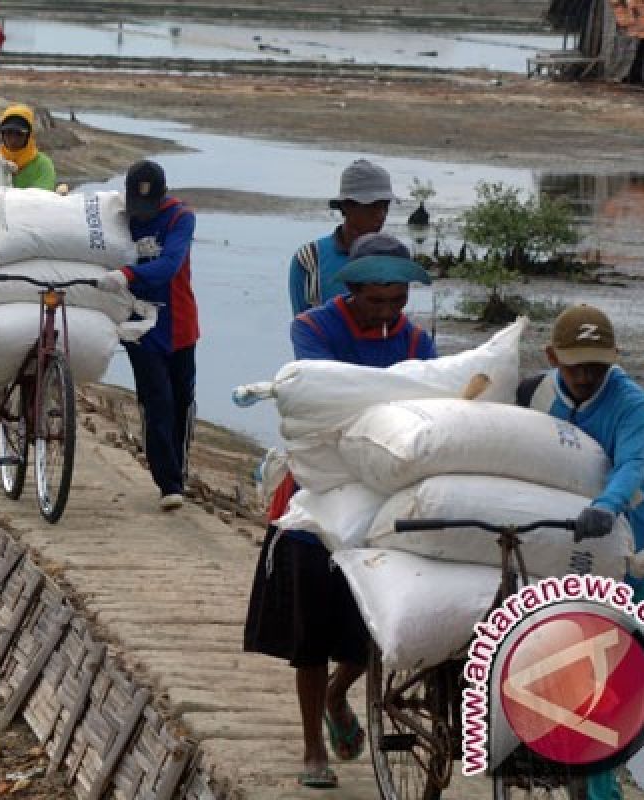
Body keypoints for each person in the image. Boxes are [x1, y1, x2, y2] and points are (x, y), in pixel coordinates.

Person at [244, 232, 435, 790]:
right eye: (376, 301)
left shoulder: (419, 342)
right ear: (350, 289)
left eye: (397, 301)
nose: (386, 313)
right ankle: (310, 748)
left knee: (375, 627)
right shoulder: (312, 330)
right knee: (313, 633)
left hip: (384, 493)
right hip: (319, 494)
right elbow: (328, 397)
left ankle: (339, 693)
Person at [517, 304, 644, 800]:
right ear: (551, 355)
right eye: (575, 364)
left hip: (630, 554)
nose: (585, 375)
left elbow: (631, 463)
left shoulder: (631, 402)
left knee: (616, 682)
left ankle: (601, 789)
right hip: (557, 547)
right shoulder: (534, 396)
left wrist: (607, 505)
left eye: (596, 366)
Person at [96, 160, 197, 511]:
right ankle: (168, 483)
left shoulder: (180, 218)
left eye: (148, 207)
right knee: (157, 403)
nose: (141, 214)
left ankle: (179, 473)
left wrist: (126, 275)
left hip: (180, 325)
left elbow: (170, 265)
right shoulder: (120, 218)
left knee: (182, 403)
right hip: (139, 326)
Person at [288, 159, 395, 316]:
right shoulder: (310, 258)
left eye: (385, 206)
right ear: (346, 207)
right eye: (372, 206)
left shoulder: (391, 257)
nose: (381, 215)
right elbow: (301, 326)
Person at [0, 105, 55, 190]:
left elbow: (41, 196)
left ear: (29, 135)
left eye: (19, 134)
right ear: (2, 134)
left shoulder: (43, 165)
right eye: (8, 133)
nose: (13, 140)